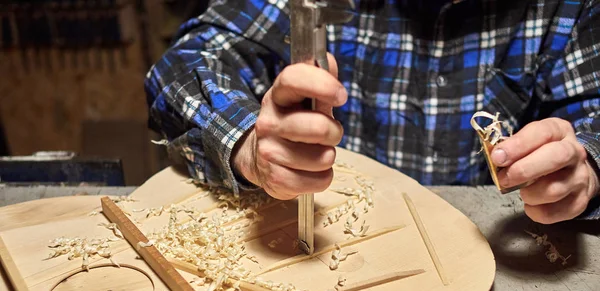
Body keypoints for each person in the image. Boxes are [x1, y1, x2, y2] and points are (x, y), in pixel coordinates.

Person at [145, 0, 600, 223]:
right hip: (333, 232)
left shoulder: (569, 7)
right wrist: (246, 142)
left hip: (488, 242)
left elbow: (593, 118)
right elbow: (183, 66)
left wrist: (587, 162)